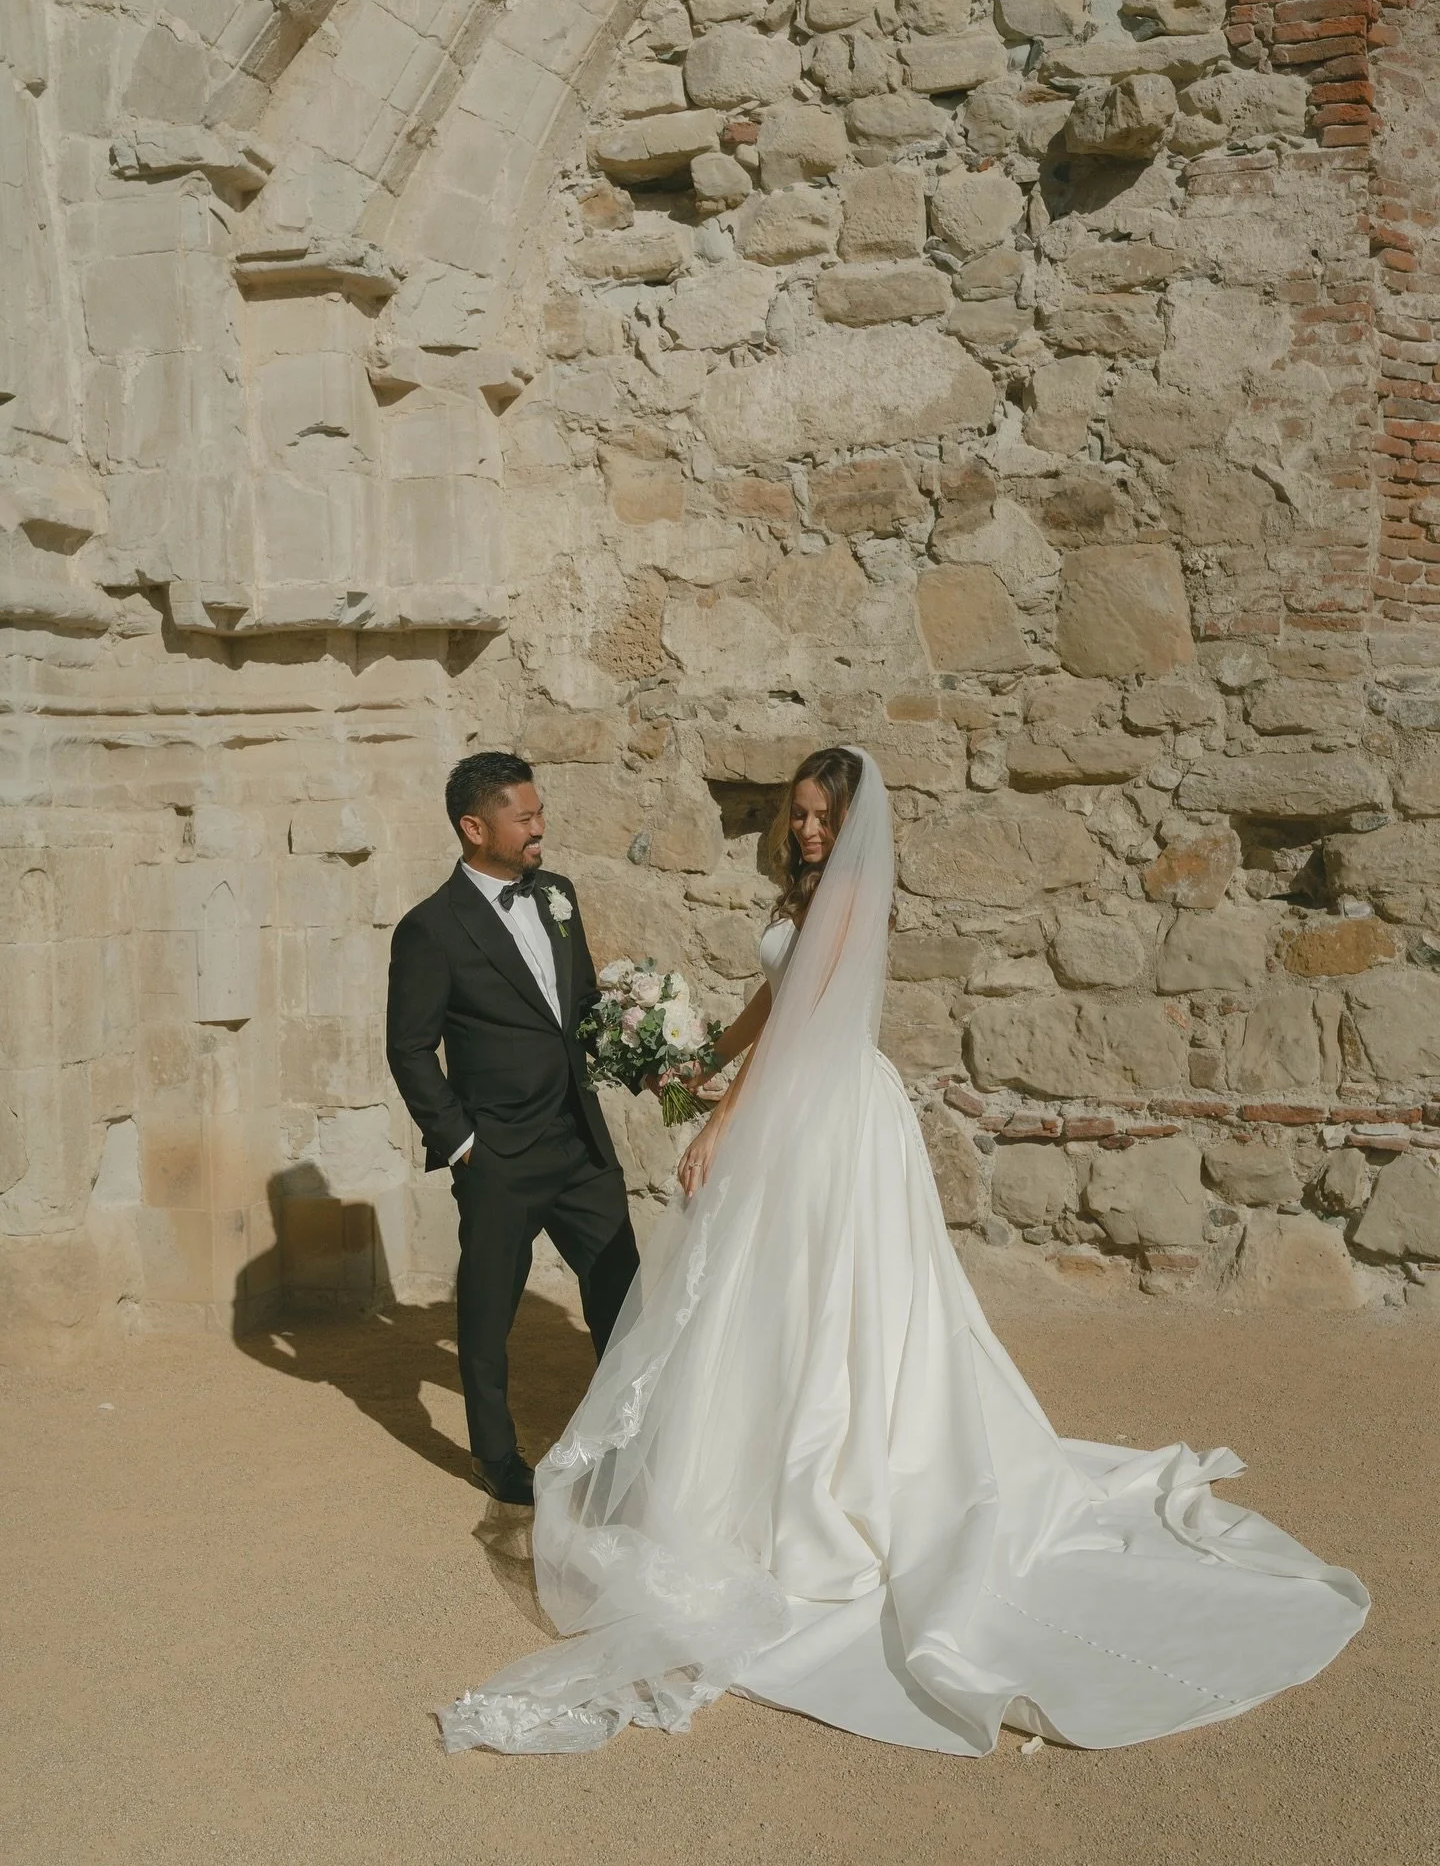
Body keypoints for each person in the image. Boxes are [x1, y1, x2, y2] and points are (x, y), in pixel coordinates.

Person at [439, 747, 1368, 1757]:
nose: (803, 831)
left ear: (851, 823)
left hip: (831, 1120)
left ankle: (835, 1486)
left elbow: (797, 1027)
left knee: (841, 1298)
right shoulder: (806, 898)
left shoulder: (849, 897)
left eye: (819, 817)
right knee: (778, 1304)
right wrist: (690, 1065)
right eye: (796, 815)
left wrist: (716, 1125)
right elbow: (768, 1006)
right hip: (795, 1108)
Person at [385, 751, 638, 1506]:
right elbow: (408, 1048)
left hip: (581, 1140)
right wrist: (465, 1146)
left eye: (539, 813)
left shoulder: (558, 894)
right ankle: (495, 1456)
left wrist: (643, 1033)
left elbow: (582, 1002)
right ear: (474, 827)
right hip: (498, 1153)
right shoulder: (431, 928)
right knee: (490, 1312)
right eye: (523, 817)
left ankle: (636, 1439)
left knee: (622, 1295)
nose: (539, 828)